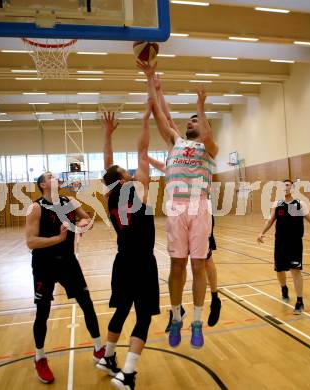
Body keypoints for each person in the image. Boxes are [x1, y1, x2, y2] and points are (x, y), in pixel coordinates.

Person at [138, 60, 218, 349]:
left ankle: (197, 321)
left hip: (199, 208)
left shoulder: (209, 148)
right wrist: (150, 80)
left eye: (195, 120)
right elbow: (160, 116)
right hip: (176, 208)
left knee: (198, 266)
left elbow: (208, 134)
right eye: (189, 120)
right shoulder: (175, 142)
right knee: (176, 266)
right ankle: (175, 317)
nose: (190, 122)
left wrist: (201, 105)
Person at [95, 103, 160, 390]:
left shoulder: (110, 195)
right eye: (126, 170)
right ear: (124, 178)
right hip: (142, 262)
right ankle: (128, 373)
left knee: (122, 310)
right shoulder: (137, 188)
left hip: (122, 262)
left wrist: (107, 134)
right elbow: (143, 152)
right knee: (143, 315)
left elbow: (108, 166)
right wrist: (146, 120)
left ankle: (108, 357)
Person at [25, 172, 104, 384]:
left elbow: (87, 218)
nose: (56, 177)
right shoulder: (36, 208)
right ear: (42, 184)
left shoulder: (68, 201)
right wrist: (59, 238)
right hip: (44, 265)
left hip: (68, 262)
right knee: (43, 312)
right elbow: (31, 242)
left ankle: (99, 349)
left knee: (87, 303)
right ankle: (40, 357)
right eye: (50, 176)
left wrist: (82, 225)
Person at [148, 156, 221, 332]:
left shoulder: (197, 158)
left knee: (204, 261)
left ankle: (215, 297)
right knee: (179, 264)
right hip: (181, 212)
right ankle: (178, 309)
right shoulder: (173, 166)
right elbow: (162, 165)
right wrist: (144, 155)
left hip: (200, 213)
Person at [257, 179, 310, 313]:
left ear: (293, 188)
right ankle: (284, 287)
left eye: (288, 185)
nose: (285, 187)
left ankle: (299, 301)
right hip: (280, 243)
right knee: (279, 270)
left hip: (295, 243)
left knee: (295, 270)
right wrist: (261, 232)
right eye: (283, 186)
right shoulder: (277, 204)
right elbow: (270, 220)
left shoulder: (300, 204)